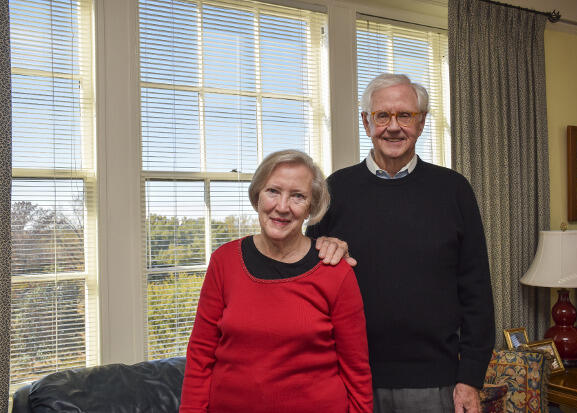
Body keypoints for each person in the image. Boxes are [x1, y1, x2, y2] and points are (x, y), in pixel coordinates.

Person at [307, 73, 494, 413]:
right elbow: (306, 284)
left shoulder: (454, 190)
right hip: (349, 377)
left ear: (421, 123)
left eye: (405, 115)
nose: (393, 127)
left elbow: (477, 291)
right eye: (382, 116)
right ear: (366, 122)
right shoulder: (334, 190)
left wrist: (470, 378)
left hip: (435, 383)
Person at [180, 149, 372, 413]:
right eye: (273, 191)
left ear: (311, 207)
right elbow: (200, 355)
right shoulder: (224, 261)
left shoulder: (335, 270)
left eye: (298, 196)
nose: (282, 207)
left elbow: (356, 371)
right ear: (257, 196)